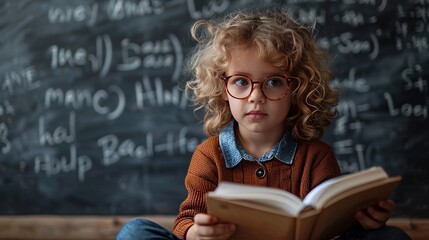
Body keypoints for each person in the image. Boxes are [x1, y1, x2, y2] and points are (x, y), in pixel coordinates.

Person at [116, 9, 410, 240]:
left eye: (273, 82)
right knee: (134, 232)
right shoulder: (209, 156)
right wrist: (197, 233)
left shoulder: (317, 157)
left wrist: (365, 221)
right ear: (222, 88)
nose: (256, 96)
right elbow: (186, 220)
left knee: (390, 236)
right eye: (241, 81)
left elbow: (329, 228)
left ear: (297, 89)